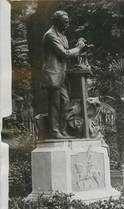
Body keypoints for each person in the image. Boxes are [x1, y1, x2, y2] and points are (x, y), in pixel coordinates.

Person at [41, 10, 86, 139]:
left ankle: (62, 130)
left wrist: (78, 48)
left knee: (65, 101)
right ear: (57, 22)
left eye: (68, 21)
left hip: (62, 75)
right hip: (53, 74)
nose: (68, 24)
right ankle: (54, 131)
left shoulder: (62, 36)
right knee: (54, 104)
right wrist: (78, 48)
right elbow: (64, 54)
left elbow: (67, 55)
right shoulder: (50, 35)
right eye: (65, 22)